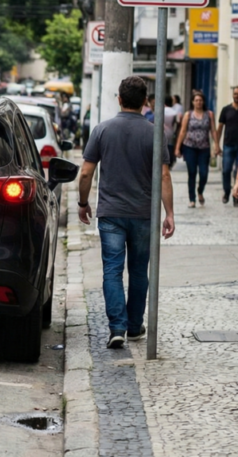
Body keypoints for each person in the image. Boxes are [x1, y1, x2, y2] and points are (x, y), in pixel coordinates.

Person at [78, 76, 174, 349]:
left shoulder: (102, 130)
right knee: (139, 271)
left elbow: (86, 172)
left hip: (111, 214)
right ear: (146, 101)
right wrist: (169, 214)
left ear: (119, 99)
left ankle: (117, 327)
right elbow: (164, 177)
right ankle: (134, 327)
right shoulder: (156, 134)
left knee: (112, 269)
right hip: (144, 214)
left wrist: (83, 203)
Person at [174, 91, 217, 208]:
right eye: (196, 100)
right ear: (193, 102)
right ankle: (192, 199)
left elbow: (213, 130)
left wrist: (216, 145)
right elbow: (182, 131)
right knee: (192, 173)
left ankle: (200, 191)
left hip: (204, 148)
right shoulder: (188, 114)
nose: (198, 102)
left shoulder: (209, 114)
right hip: (190, 147)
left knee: (204, 173)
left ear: (203, 102)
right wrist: (178, 147)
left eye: (200, 100)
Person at [215, 87, 238, 205]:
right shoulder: (226, 110)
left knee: (237, 172)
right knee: (226, 171)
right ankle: (227, 191)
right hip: (228, 144)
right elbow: (219, 128)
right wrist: (217, 145)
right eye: (235, 93)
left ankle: (236, 195)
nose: (236, 96)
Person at [163, 96, 178, 168]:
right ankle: (169, 163)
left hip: (162, 133)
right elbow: (177, 123)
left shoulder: (160, 111)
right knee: (170, 149)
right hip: (171, 133)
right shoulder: (174, 112)